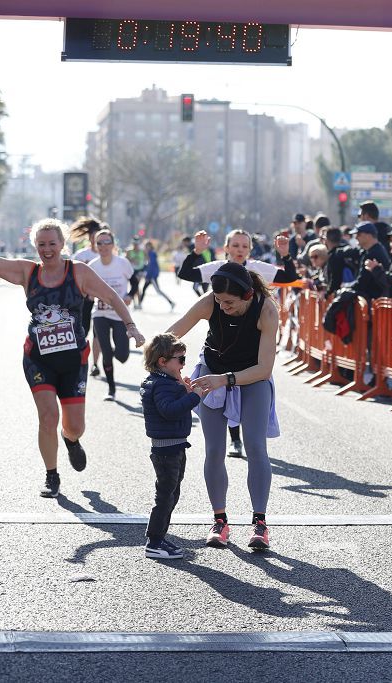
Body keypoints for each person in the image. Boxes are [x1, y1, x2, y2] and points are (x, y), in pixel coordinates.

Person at [0, 206, 145, 497]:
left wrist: (131, 327)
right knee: (48, 416)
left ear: (62, 244)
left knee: (75, 426)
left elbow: (111, 295)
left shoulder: (78, 272)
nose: (47, 249)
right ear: (35, 246)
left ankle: (71, 440)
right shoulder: (28, 272)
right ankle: (51, 475)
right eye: (41, 244)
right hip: (38, 358)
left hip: (74, 359)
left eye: (52, 243)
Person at [168, 261, 280, 551]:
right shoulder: (211, 302)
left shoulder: (267, 310)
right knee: (214, 449)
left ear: (246, 296)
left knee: (255, 446)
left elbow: (264, 370)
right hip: (212, 371)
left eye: (229, 302)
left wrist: (225, 380)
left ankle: (260, 524)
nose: (223, 307)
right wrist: (162, 360)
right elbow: (174, 333)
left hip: (250, 376)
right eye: (219, 301)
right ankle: (220, 521)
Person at [178, 228, 292, 457]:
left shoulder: (258, 273)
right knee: (214, 447)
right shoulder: (215, 271)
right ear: (227, 248)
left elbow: (289, 278)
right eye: (235, 245)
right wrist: (197, 252)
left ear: (250, 250)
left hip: (249, 351)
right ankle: (234, 440)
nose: (240, 250)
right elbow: (186, 274)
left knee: (257, 444)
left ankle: (242, 439)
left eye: (244, 246)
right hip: (220, 348)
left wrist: (286, 256)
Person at [140, 333, 202, 560]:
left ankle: (159, 537)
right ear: (162, 362)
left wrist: (182, 390)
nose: (183, 364)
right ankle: (154, 541)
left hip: (173, 446)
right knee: (165, 496)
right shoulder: (161, 385)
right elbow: (169, 410)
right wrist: (193, 396)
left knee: (171, 494)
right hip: (167, 450)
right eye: (180, 359)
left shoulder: (163, 382)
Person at [87, 228, 136, 401]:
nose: (103, 246)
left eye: (107, 242)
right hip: (100, 314)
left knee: (122, 356)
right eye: (99, 243)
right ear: (95, 245)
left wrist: (130, 295)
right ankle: (111, 389)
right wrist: (89, 294)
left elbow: (135, 281)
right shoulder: (93, 266)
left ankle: (116, 350)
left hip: (119, 315)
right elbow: (86, 289)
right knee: (106, 352)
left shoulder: (122, 263)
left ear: (113, 244)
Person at [68, 217, 105, 376]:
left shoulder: (108, 254)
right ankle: (78, 360)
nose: (96, 240)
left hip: (101, 300)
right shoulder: (81, 255)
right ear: (89, 237)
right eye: (93, 236)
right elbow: (70, 278)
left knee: (98, 333)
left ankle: (95, 364)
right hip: (83, 300)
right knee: (82, 330)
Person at [140, 240, 175, 310]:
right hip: (150, 276)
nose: (146, 248)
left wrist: (148, 276)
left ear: (150, 246)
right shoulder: (150, 253)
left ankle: (171, 302)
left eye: (147, 246)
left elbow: (152, 266)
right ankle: (139, 304)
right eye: (145, 246)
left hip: (152, 277)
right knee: (144, 289)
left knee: (158, 291)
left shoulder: (151, 254)